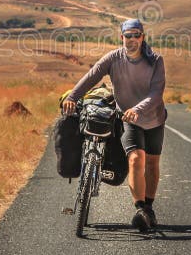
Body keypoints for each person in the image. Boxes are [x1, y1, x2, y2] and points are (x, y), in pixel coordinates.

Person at [61, 18, 166, 231]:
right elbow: (92, 77)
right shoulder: (113, 58)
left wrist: (138, 109)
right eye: (128, 36)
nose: (132, 39)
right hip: (127, 119)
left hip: (153, 118)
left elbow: (157, 93)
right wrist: (72, 96)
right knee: (136, 159)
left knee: (152, 164)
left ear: (142, 37)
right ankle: (140, 209)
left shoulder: (155, 60)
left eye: (136, 35)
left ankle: (149, 207)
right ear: (122, 38)